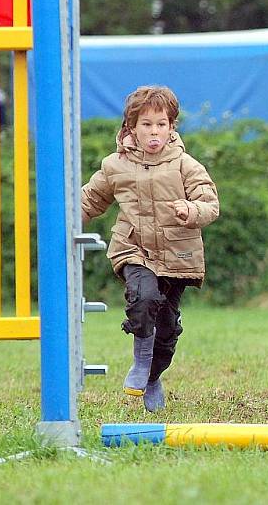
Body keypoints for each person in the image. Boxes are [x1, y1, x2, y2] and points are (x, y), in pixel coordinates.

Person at [81, 86, 219, 412]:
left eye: (161, 124)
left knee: (168, 329)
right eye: (146, 125)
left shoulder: (186, 165)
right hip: (133, 248)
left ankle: (153, 376)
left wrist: (190, 210)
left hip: (176, 254)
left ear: (172, 127)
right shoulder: (115, 165)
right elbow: (89, 200)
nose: (154, 132)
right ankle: (140, 362)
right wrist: (63, 220)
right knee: (143, 298)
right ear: (131, 128)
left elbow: (210, 204)